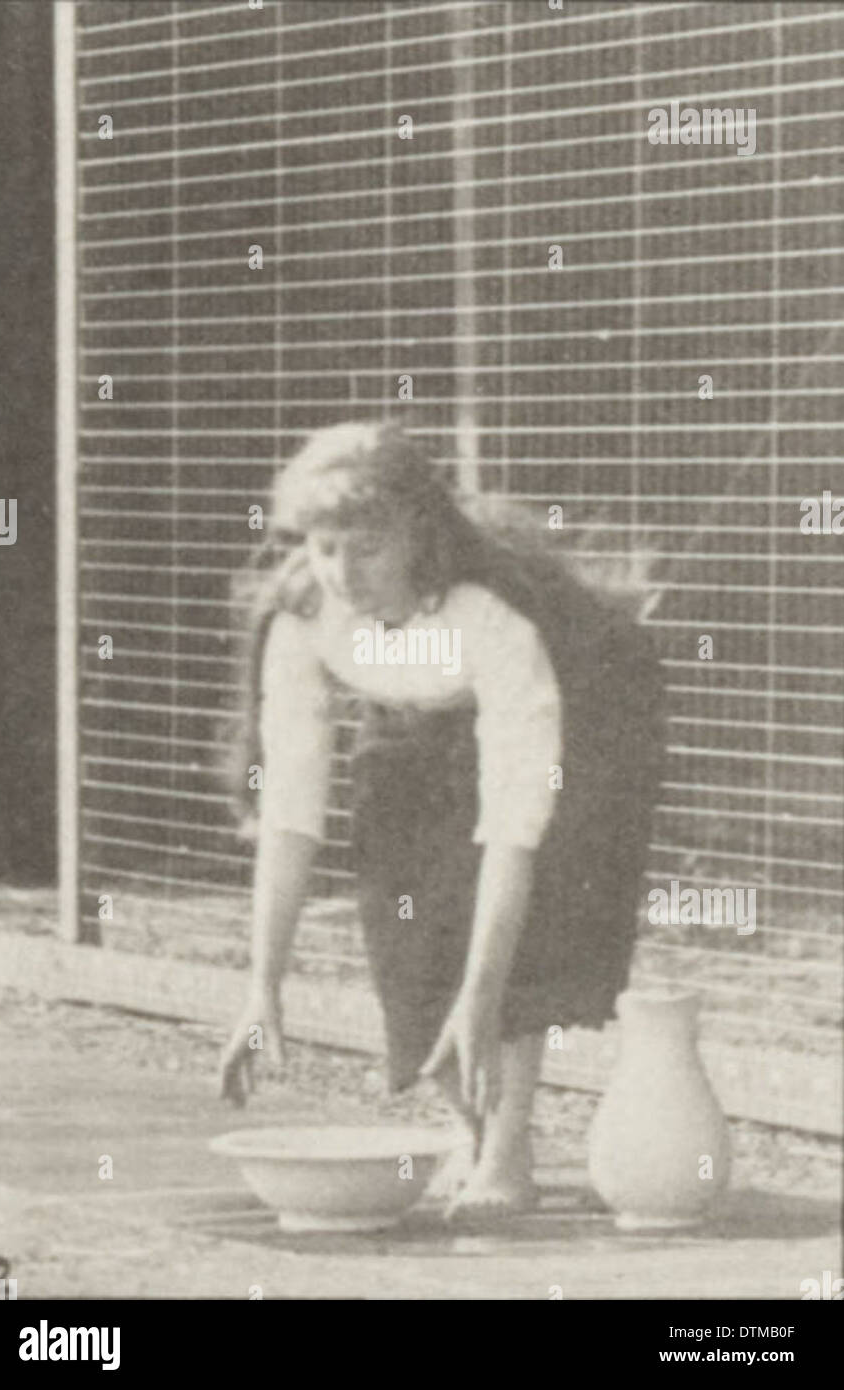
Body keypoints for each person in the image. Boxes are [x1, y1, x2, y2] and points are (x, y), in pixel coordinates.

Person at [219, 420, 664, 1217]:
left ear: (417, 534)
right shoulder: (303, 613)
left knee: (507, 945)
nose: (343, 572)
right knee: (406, 924)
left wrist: (482, 992)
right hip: (422, 718)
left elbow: (512, 834)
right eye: (325, 547)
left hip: (586, 714)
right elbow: (291, 814)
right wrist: (262, 988)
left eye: (368, 547)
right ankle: (471, 1124)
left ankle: (507, 1148)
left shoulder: (488, 616)